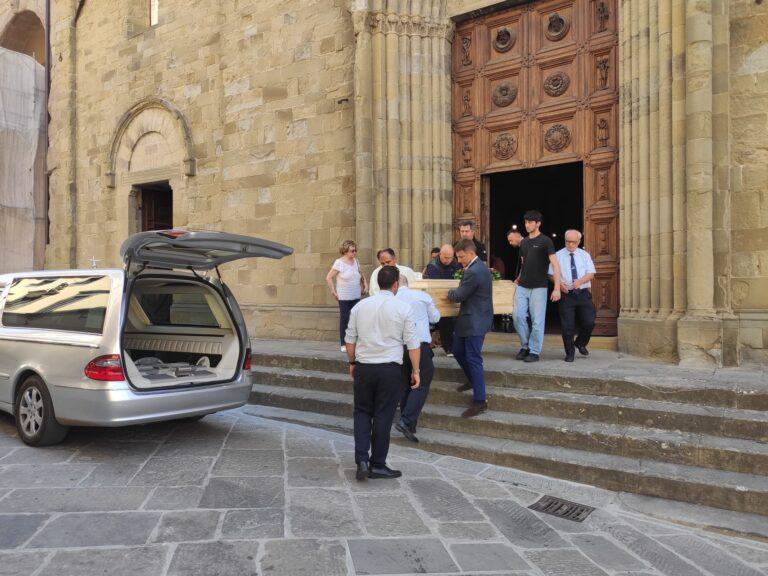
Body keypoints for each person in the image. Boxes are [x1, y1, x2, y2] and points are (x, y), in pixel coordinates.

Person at [345, 266, 421, 481]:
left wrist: (352, 362)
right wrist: (416, 371)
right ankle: (377, 463)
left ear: (378, 283)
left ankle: (361, 459)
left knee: (361, 412)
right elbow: (413, 344)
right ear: (396, 284)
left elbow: (350, 340)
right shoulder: (403, 308)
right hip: (389, 369)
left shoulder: (360, 307)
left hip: (364, 366)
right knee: (383, 415)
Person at [448, 239, 493, 418]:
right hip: (469, 319)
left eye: (460, 257)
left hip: (475, 320)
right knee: (458, 350)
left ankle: (480, 401)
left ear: (471, 253)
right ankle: (472, 379)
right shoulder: (479, 267)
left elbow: (458, 295)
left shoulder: (474, 271)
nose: (459, 261)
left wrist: (448, 293)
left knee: (473, 358)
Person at [394, 276, 440, 443]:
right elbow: (435, 318)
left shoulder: (391, 299)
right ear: (408, 284)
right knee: (421, 383)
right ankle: (406, 421)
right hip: (418, 344)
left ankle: (409, 423)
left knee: (406, 384)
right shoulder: (422, 296)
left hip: (399, 347)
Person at [513, 210, 562, 363]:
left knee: (537, 321)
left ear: (538, 223)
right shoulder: (524, 243)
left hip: (539, 287)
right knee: (517, 317)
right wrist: (518, 279)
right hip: (522, 286)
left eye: (530, 222)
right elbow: (523, 263)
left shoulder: (546, 241)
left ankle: (534, 351)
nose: (527, 225)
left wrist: (557, 288)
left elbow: (555, 264)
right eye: (526, 222)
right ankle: (526, 345)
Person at [549, 229, 597, 362]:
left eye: (573, 242)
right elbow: (550, 274)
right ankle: (569, 353)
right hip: (566, 295)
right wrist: (558, 284)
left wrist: (580, 281)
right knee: (567, 326)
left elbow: (591, 273)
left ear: (579, 241)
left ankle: (580, 342)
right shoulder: (557, 255)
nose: (570, 245)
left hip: (582, 293)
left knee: (589, 322)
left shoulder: (584, 255)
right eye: (568, 242)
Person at [326, 240, 367, 352]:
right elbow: (329, 277)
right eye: (352, 251)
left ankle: (357, 341)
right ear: (345, 251)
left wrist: (365, 284)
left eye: (355, 250)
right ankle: (343, 343)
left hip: (356, 295)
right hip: (344, 296)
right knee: (345, 319)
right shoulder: (339, 263)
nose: (354, 253)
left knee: (357, 318)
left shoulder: (356, 261)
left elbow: (361, 273)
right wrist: (333, 292)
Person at [423, 244, 460, 357]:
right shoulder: (433, 266)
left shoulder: (455, 263)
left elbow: (460, 275)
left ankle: (456, 346)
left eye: (450, 257)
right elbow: (436, 284)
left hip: (454, 295)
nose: (448, 260)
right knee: (445, 323)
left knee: (456, 323)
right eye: (445, 257)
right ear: (440, 255)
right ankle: (448, 348)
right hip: (440, 297)